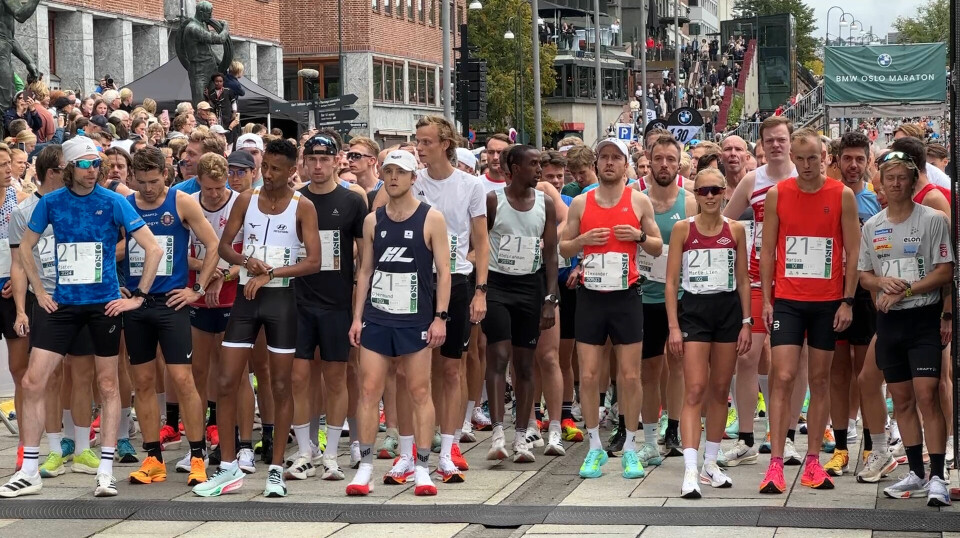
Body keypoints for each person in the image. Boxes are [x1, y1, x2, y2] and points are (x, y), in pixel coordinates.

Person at [0, 136, 163, 498]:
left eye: (98, 164)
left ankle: (105, 470)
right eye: (87, 165)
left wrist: (138, 296)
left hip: (103, 305)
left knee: (106, 385)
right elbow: (25, 246)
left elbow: (152, 247)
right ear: (70, 167)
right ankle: (29, 469)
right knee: (31, 382)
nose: (94, 171)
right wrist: (40, 293)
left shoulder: (114, 201)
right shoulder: (52, 202)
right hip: (62, 305)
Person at [192, 139, 321, 498]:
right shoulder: (246, 200)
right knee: (227, 379)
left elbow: (314, 261)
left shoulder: (303, 206)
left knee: (280, 385)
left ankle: (276, 468)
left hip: (281, 300)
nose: (268, 174)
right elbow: (223, 246)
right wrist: (247, 263)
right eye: (266, 168)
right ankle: (230, 468)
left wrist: (272, 272)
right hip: (247, 298)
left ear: (292, 170)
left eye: (276, 169)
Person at [757, 128, 861, 494]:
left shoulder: (842, 195)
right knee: (782, 376)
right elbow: (767, 250)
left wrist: (847, 300)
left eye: (812, 158)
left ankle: (814, 460)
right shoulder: (777, 194)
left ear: (824, 157)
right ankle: (776, 462)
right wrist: (768, 300)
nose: (805, 165)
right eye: (799, 159)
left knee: (819, 380)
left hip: (827, 302)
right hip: (788, 299)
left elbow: (853, 251)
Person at [345, 149, 450, 496]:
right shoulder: (373, 220)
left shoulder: (431, 218)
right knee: (368, 390)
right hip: (377, 316)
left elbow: (444, 273)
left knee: (419, 390)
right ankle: (365, 467)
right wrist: (357, 317)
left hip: (415, 318)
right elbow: (365, 270)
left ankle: (422, 467)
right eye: (388, 171)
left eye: (400, 172)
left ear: (412, 178)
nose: (392, 178)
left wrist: (440, 318)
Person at [559, 138, 662, 479]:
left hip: (626, 295)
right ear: (597, 162)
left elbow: (657, 247)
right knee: (588, 375)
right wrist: (582, 243)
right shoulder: (580, 202)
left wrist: (637, 236)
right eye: (604, 157)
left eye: (616, 158)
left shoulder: (639, 200)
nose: (609, 163)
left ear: (625, 164)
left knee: (630, 376)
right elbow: (563, 247)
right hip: (591, 296)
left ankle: (631, 446)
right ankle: (593, 447)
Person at [122, 147, 221, 489]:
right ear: (132, 177)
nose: (148, 189)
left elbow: (212, 244)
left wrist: (197, 287)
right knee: (144, 383)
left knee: (183, 380)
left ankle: (196, 456)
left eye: (154, 181)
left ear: (166, 174)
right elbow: (110, 247)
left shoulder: (181, 202)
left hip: (172, 303)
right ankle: (152, 458)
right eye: (142, 182)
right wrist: (117, 286)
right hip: (136, 304)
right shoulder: (126, 203)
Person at [859, 151, 954, 506]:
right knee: (900, 399)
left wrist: (907, 290)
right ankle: (915, 471)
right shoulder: (873, 225)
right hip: (890, 323)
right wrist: (882, 282)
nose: (896, 184)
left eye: (902, 177)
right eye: (890, 178)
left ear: (913, 181)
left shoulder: (932, 220)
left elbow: (945, 271)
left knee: (927, 394)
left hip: (923, 317)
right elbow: (864, 275)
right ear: (880, 183)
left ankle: (938, 476)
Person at [665, 168, 752, 498]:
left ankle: (710, 463)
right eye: (704, 192)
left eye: (716, 190)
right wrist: (673, 327)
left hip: (728, 313)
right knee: (695, 388)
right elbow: (671, 282)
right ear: (696, 196)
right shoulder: (682, 230)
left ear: (725, 192)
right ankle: (690, 467)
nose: (711, 196)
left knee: (719, 390)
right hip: (695, 314)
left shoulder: (736, 230)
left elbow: (743, 279)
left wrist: (747, 322)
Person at [288, 133, 367, 482]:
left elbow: (365, 259)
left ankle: (333, 452)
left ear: (337, 161)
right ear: (304, 162)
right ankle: (306, 450)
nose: (318, 166)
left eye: (325, 159)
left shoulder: (352, 200)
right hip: (298, 300)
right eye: (312, 160)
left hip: (337, 301)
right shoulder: (293, 199)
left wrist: (360, 307)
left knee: (336, 377)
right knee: (300, 376)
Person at [720, 116, 799, 467]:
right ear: (762, 145)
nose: (776, 145)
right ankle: (746, 439)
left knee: (793, 363)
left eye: (781, 139)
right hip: (756, 279)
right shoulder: (754, 180)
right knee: (746, 356)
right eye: (769, 141)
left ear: (791, 142)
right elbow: (724, 221)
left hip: (798, 282)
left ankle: (790, 437)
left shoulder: (807, 177)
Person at [482, 144, 558, 462]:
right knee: (499, 355)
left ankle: (522, 435)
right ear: (513, 168)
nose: (539, 169)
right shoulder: (493, 200)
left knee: (526, 364)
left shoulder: (546, 203)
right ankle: (498, 431)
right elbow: (479, 241)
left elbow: (552, 253)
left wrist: (550, 298)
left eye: (540, 164)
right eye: (533, 164)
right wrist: (480, 288)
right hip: (497, 285)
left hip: (530, 286)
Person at [634, 134, 698, 466]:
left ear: (679, 163)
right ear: (649, 159)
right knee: (648, 369)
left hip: (682, 298)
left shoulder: (688, 203)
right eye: (658, 158)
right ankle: (647, 439)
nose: (664, 165)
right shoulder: (636, 199)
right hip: (644, 297)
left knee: (678, 366)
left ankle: (673, 429)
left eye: (670, 160)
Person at [825, 132, 883, 479]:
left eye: (860, 159)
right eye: (847, 158)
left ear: (867, 162)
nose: (853, 165)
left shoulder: (876, 199)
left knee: (865, 373)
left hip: (864, 293)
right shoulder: (830, 194)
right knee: (837, 371)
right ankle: (843, 446)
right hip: (833, 290)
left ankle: (872, 447)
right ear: (837, 159)